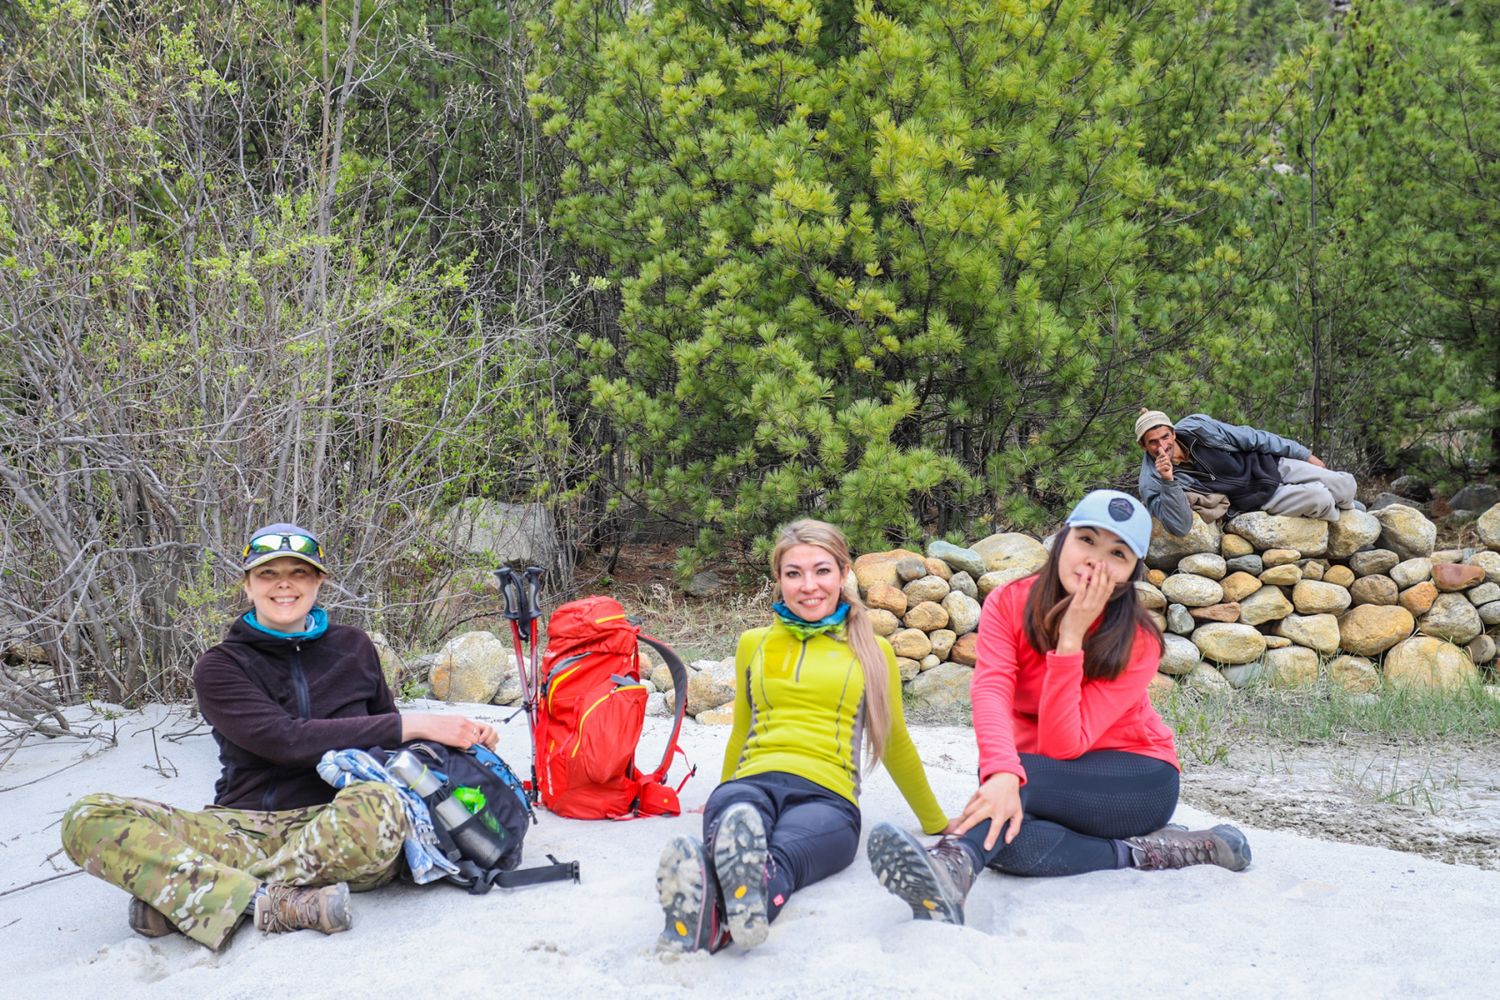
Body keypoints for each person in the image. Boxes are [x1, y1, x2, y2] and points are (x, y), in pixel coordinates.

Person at [60, 522, 498, 950]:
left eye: (299, 573)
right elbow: (285, 740)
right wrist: (415, 723)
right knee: (88, 817)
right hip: (240, 830)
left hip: (339, 826)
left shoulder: (355, 646)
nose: (283, 585)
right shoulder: (220, 665)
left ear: (318, 582)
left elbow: (389, 746)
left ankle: (202, 895)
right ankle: (268, 901)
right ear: (247, 585)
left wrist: (458, 737)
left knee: (382, 806)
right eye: (268, 573)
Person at [868, 491, 1250, 926]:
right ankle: (1148, 851)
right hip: (1044, 778)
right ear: (1062, 538)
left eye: (1118, 554)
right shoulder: (1010, 602)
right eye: (1087, 540)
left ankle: (950, 864)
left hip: (1136, 782)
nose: (1095, 562)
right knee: (1006, 834)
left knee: (1013, 793)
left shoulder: (1138, 640)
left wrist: (1071, 640)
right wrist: (1000, 772)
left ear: (1132, 572)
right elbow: (991, 688)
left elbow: (1062, 744)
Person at [655, 518, 954, 953]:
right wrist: (723, 788)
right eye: (794, 573)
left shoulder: (874, 650)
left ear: (843, 572)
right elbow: (742, 730)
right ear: (778, 579)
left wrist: (936, 823)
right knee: (739, 825)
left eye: (821, 571)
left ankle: (710, 918)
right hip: (751, 783)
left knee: (778, 859)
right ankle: (723, 913)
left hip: (827, 799)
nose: (808, 585)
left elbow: (894, 742)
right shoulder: (754, 643)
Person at [1135, 408, 1360, 537]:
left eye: (1165, 437)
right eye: (1153, 442)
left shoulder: (1198, 428)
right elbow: (1179, 527)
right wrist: (1168, 481)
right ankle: (1348, 518)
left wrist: (1303, 453)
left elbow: (1252, 437)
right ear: (1143, 446)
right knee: (1320, 497)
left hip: (1267, 465)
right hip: (1252, 499)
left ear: (1173, 433)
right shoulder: (1151, 481)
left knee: (1346, 484)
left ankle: (1348, 508)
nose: (1161, 445)